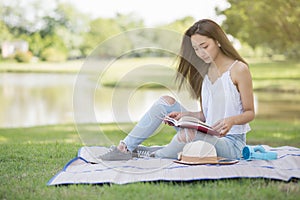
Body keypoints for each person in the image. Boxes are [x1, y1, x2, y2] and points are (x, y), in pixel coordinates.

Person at [100, 19, 255, 161]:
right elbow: (205, 115)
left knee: (188, 134)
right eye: (196, 49)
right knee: (166, 103)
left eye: (205, 46)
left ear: (218, 41)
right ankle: (125, 148)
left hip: (232, 145)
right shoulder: (205, 72)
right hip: (208, 134)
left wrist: (231, 120)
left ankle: (154, 155)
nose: (201, 53)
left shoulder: (238, 69)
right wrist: (184, 115)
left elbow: (250, 112)